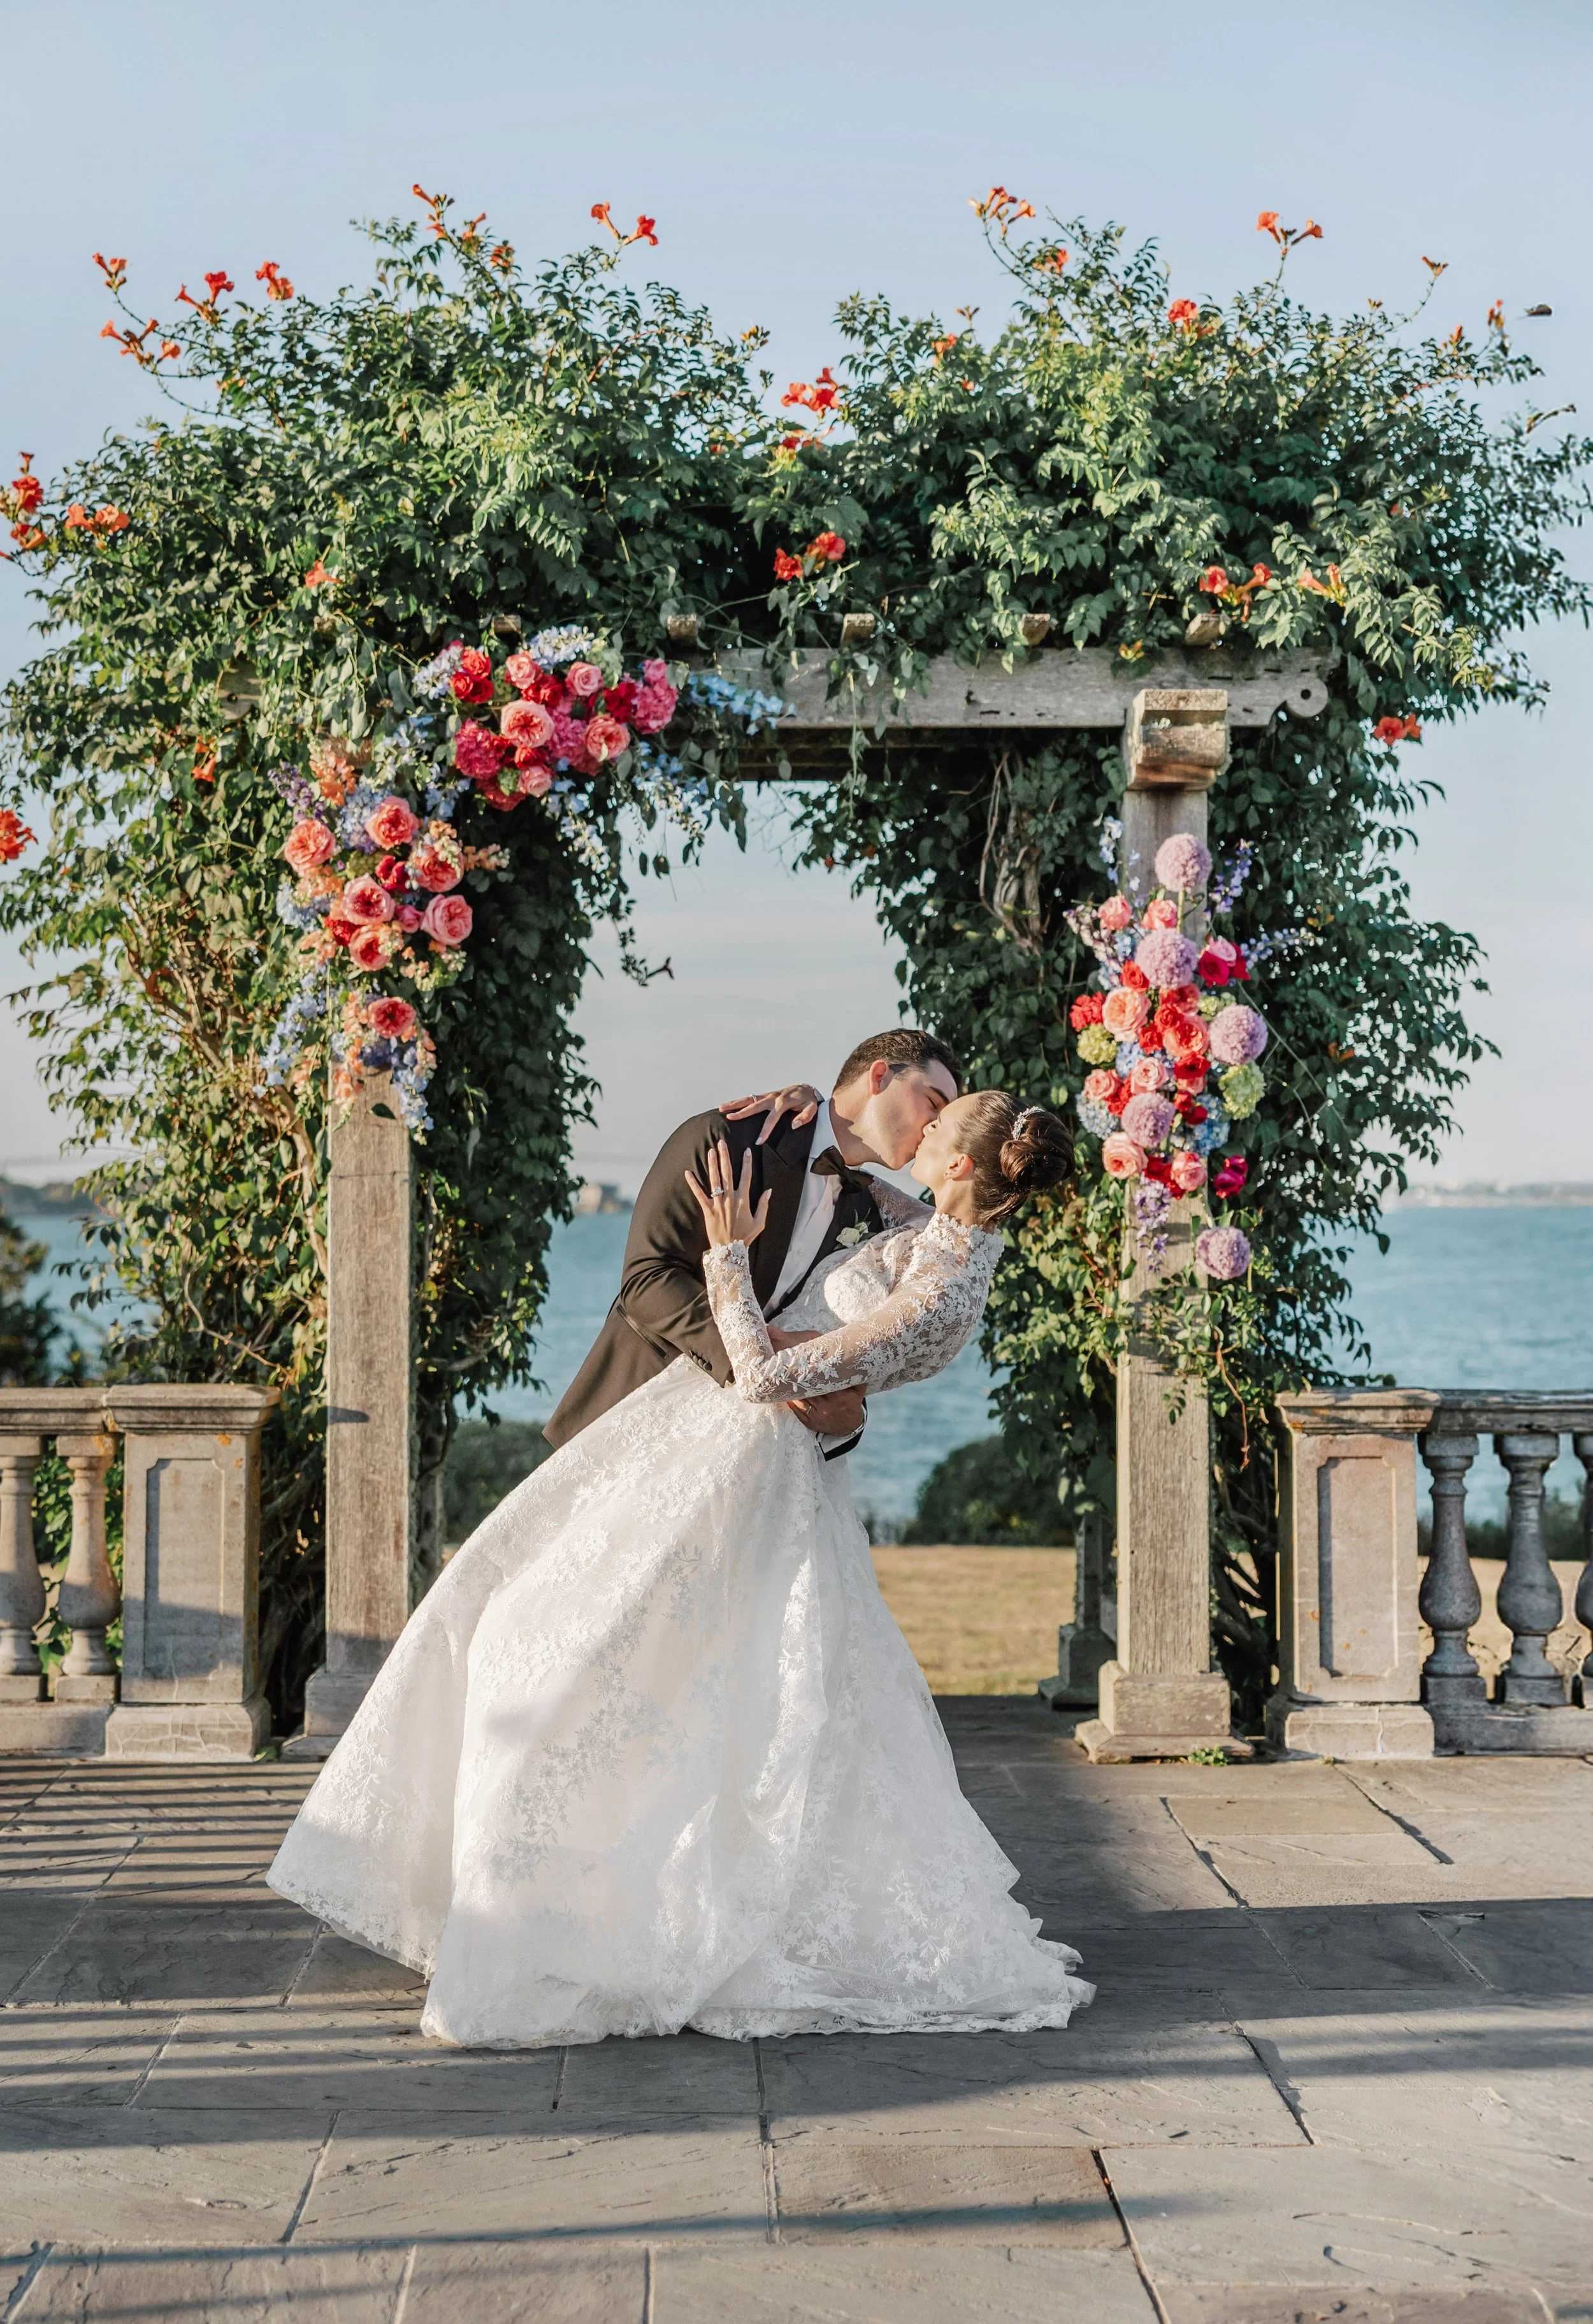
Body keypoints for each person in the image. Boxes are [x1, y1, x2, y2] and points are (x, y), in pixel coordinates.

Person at [267, 1075, 1092, 2048]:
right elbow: (866, 1187)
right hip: (700, 1450)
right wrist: (819, 1107)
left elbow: (765, 1373)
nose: (924, 1125)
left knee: (624, 1676)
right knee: (554, 1636)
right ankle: (509, 1889)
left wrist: (730, 1258)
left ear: (959, 1161)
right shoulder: (938, 1228)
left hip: (752, 1471)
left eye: (942, 1119)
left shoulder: (948, 1284)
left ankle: (595, 1917)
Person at [544, 1027, 963, 1458]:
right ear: (878, 1077)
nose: (934, 1127)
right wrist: (759, 1357)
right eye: (933, 1103)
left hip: (750, 1460)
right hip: (631, 1421)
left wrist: (851, 1422)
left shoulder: (879, 1220)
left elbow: (847, 1358)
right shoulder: (725, 1138)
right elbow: (648, 1279)